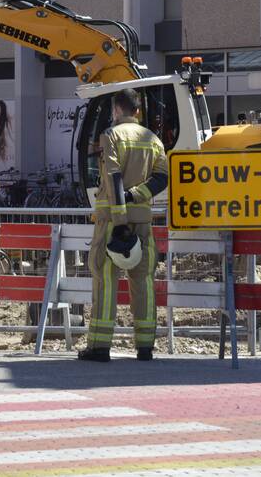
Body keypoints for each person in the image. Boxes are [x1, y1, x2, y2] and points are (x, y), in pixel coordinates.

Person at [80, 89, 169, 363]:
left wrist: (119, 220)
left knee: (105, 280)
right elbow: (162, 178)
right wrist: (138, 195)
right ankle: (145, 347)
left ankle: (99, 346)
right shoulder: (153, 140)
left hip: (111, 222)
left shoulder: (111, 136)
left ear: (116, 111)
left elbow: (113, 176)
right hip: (143, 223)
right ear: (138, 111)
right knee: (143, 281)